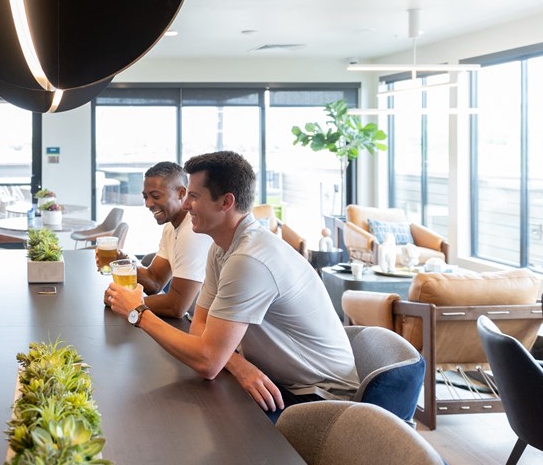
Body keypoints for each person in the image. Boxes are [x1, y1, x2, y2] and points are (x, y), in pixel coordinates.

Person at [107, 151, 357, 421]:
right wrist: (237, 363)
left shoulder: (248, 259)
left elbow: (208, 362)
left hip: (321, 399)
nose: (187, 205)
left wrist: (139, 313)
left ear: (226, 202)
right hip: (276, 381)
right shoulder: (221, 247)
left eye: (194, 196)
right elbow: (199, 328)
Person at [100, 161, 212, 318]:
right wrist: (123, 260)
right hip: (192, 321)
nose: (148, 204)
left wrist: (123, 302)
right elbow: (154, 282)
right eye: (145, 197)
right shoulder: (170, 227)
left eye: (156, 196)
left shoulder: (192, 232)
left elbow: (176, 306)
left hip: (206, 331)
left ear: (181, 193)